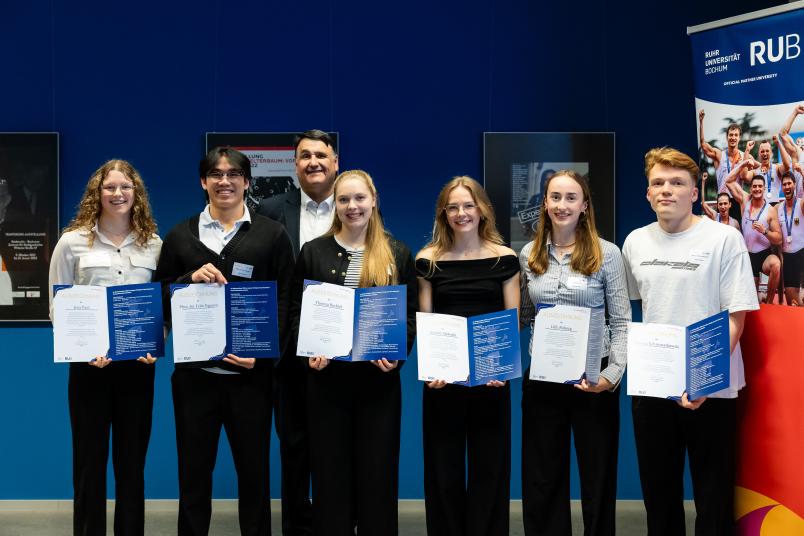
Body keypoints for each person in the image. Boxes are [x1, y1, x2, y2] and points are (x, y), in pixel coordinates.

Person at [153, 147, 294, 535]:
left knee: (254, 477)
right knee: (194, 475)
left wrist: (265, 358)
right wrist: (187, 280)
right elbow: (159, 294)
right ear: (203, 182)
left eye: (234, 174)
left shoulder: (272, 234)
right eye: (215, 174)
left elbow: (286, 299)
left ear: (247, 182)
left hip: (252, 379)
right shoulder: (181, 235)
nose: (224, 181)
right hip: (194, 380)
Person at [622, 147, 759, 535]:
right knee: (659, 494)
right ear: (648, 193)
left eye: (677, 183)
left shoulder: (724, 239)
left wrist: (703, 379)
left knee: (713, 496)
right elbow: (642, 307)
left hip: (713, 388)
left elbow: (737, 315)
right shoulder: (636, 242)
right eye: (658, 183)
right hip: (654, 388)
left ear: (695, 192)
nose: (667, 190)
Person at [288, 169, 417, 535]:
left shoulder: (397, 252)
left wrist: (397, 353)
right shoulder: (314, 251)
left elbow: (410, 315)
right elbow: (297, 312)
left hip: (378, 383)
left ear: (373, 200)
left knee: (377, 473)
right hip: (327, 383)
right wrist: (309, 350)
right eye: (344, 199)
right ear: (335, 204)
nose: (352, 206)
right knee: (330, 474)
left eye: (359, 198)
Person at [48, 159, 162, 535]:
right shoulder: (71, 242)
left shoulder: (154, 245)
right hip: (88, 370)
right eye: (110, 187)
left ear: (136, 194)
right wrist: (82, 347)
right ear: (97, 194)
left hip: (138, 369)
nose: (118, 194)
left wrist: (156, 340)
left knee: (132, 466)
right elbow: (57, 304)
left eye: (125, 187)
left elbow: (160, 307)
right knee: (89, 464)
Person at [519, 170, 630, 535]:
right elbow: (525, 314)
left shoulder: (607, 254)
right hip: (544, 378)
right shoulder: (529, 254)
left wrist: (610, 377)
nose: (561, 205)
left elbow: (622, 321)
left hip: (592, 379)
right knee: (543, 476)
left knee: (597, 476)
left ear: (584, 205)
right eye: (555, 197)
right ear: (545, 204)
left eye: (570, 198)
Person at [416, 176, 519, 536]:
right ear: (444, 213)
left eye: (468, 205)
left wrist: (503, 369)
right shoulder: (427, 260)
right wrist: (431, 368)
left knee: (490, 468)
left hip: (492, 380)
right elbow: (426, 320)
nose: (461, 213)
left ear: (482, 210)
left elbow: (512, 319)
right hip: (443, 382)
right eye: (453, 207)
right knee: (443, 469)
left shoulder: (504, 259)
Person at [257, 129, 338, 536]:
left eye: (321, 155)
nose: (313, 163)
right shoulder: (270, 210)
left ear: (335, 162)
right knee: (293, 447)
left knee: (335, 448)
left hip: (341, 353)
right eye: (305, 156)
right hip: (287, 350)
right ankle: (296, 529)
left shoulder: (354, 207)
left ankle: (335, 523)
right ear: (295, 166)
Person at [727, 162, 784, 304]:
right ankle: (758, 301)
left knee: (776, 264)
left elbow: (779, 239)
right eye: (754, 186)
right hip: (748, 256)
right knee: (753, 300)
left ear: (764, 189)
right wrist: (743, 163)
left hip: (764, 255)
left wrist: (764, 231)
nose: (757, 189)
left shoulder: (770, 211)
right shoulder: (744, 200)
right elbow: (728, 181)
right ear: (750, 188)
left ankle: (770, 303)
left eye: (760, 186)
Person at [698, 110, 751, 196]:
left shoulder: (745, 156)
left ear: (739, 138)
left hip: (738, 200)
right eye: (731, 135)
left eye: (735, 135)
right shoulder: (719, 155)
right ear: (727, 137)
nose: (733, 137)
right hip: (723, 201)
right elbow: (703, 145)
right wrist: (701, 122)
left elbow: (757, 171)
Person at [776, 171, 804, 306]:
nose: (787, 187)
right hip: (788, 257)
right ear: (782, 187)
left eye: (789, 183)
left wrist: (803, 173)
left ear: (794, 185)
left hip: (802, 252)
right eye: (784, 184)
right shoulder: (777, 208)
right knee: (792, 302)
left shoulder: (801, 204)